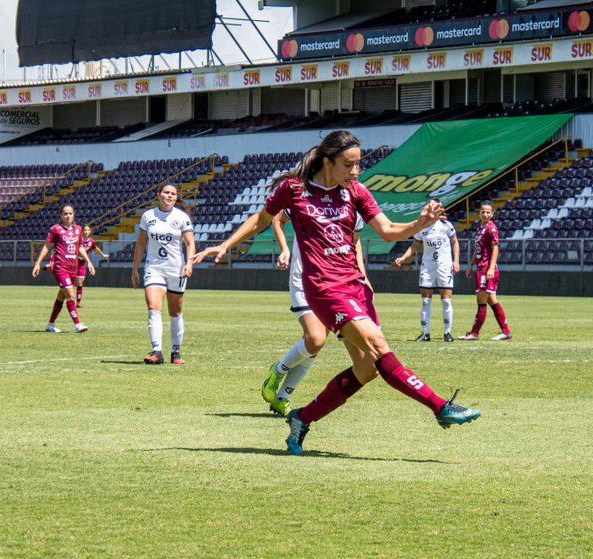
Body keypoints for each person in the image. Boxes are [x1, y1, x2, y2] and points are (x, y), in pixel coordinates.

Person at [194, 130, 480, 456]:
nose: (356, 172)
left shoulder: (355, 191)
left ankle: (303, 418)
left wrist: (419, 223)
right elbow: (261, 220)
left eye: (359, 165)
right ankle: (440, 406)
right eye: (349, 165)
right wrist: (225, 245)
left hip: (356, 287)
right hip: (324, 289)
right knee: (378, 346)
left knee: (367, 368)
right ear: (328, 161)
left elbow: (387, 231)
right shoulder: (295, 190)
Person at [260, 208, 367, 416]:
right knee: (316, 339)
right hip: (305, 280)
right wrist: (285, 250)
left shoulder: (353, 209)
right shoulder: (307, 200)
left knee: (313, 346)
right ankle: (278, 370)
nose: (351, 175)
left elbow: (354, 245)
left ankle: (283, 398)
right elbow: (277, 219)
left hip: (335, 284)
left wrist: (362, 276)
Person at [131, 184, 195, 365]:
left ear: (176, 198)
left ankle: (176, 352)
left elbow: (190, 243)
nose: (169, 196)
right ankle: (157, 351)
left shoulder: (182, 217)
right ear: (158, 195)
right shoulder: (148, 216)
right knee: (153, 307)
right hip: (154, 268)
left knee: (175, 312)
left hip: (176, 269)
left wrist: (189, 263)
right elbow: (141, 243)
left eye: (173, 194)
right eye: (166, 192)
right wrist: (135, 268)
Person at [394, 207, 460, 342]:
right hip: (428, 266)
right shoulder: (422, 227)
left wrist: (456, 261)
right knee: (425, 300)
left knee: (446, 300)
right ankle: (425, 333)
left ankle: (448, 333)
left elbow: (455, 242)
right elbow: (414, 245)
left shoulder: (446, 225)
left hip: (444, 265)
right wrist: (403, 257)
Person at [32, 205, 94, 333]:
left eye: (70, 213)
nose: (68, 216)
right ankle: (78, 324)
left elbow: (80, 247)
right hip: (60, 267)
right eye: (65, 214)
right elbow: (47, 246)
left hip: (73, 268)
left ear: (74, 214)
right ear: (61, 216)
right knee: (70, 296)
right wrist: (38, 263)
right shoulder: (55, 229)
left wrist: (89, 262)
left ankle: (50, 324)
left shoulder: (78, 229)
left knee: (61, 296)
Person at [460, 201, 512, 341]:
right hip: (480, 268)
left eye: (488, 212)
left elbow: (495, 248)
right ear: (479, 213)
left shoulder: (491, 229)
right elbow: (477, 250)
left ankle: (474, 333)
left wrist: (491, 267)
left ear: (492, 214)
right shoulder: (479, 228)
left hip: (487, 269)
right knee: (491, 300)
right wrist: (471, 266)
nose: (485, 214)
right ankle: (506, 331)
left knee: (481, 301)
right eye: (483, 211)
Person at [75, 224, 109, 308]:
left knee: (80, 282)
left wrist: (103, 255)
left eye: (88, 230)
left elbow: (95, 248)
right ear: (81, 231)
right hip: (73, 263)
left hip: (82, 264)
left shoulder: (91, 241)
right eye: (84, 230)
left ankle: (78, 302)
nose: (86, 232)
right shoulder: (77, 240)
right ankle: (66, 298)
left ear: (90, 231)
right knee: (69, 283)